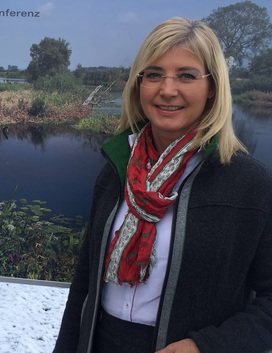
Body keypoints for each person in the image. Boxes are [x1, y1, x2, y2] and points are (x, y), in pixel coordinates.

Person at [53, 17, 272, 353]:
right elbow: (84, 285)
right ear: (138, 84)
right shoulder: (116, 171)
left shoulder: (250, 185)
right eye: (153, 74)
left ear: (212, 86)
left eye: (186, 75)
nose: (167, 90)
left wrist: (206, 346)